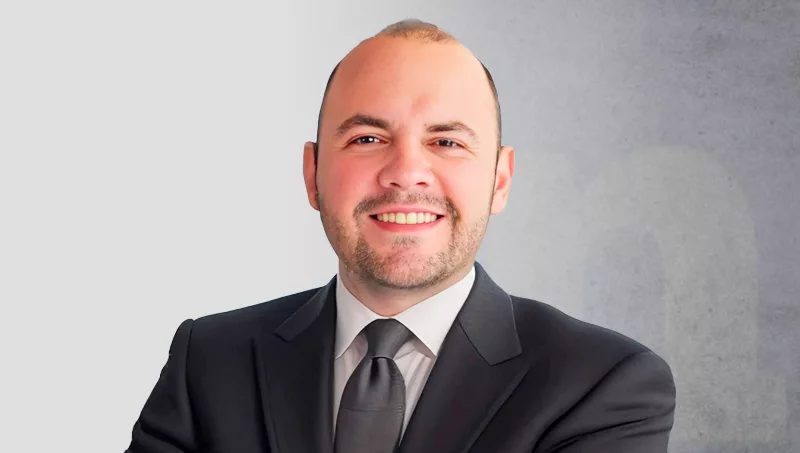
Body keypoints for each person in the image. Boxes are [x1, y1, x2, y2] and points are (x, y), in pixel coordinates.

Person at [127, 19, 676, 453]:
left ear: (500, 180)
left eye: (447, 142)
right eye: (367, 138)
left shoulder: (603, 384)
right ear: (312, 175)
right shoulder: (209, 360)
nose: (406, 173)